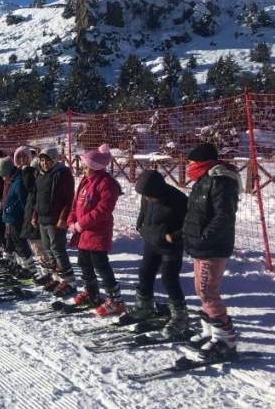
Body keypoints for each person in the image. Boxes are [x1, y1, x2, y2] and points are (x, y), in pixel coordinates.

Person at [182, 143, 242, 360]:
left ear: (202, 162)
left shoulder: (221, 180)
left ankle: (226, 340)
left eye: (191, 162)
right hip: (200, 245)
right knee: (200, 289)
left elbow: (224, 216)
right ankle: (211, 332)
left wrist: (204, 237)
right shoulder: (203, 179)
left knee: (208, 290)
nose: (188, 166)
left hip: (213, 246)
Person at [128, 170, 189, 337]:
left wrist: (173, 237)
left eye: (149, 195)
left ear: (158, 190)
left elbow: (190, 224)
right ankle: (144, 306)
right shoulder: (147, 197)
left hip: (170, 246)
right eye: (144, 195)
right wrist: (140, 226)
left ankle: (180, 316)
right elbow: (143, 212)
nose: (147, 198)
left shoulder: (177, 199)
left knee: (169, 279)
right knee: (145, 273)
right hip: (151, 242)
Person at [67, 144, 124, 316]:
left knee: (101, 264)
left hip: (98, 232)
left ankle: (116, 300)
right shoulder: (85, 181)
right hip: (83, 232)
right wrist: (71, 221)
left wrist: (81, 224)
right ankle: (91, 291)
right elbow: (75, 203)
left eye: (86, 165)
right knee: (84, 263)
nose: (83, 168)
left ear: (96, 167)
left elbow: (103, 210)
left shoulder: (107, 183)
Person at [30, 147, 76, 297]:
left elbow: (68, 200)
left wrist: (63, 218)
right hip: (43, 218)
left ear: (54, 160)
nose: (44, 163)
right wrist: (35, 215)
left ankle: (69, 281)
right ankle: (56, 277)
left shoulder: (62, 174)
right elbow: (38, 198)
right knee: (48, 248)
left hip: (56, 220)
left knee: (57, 249)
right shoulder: (41, 175)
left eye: (47, 160)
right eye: (42, 160)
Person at [0, 157, 34, 276]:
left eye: (3, 175)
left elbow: (23, 201)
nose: (3, 179)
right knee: (16, 243)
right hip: (12, 217)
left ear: (7, 173)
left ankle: (29, 267)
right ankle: (22, 264)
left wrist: (20, 213)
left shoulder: (18, 182)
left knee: (20, 243)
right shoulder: (13, 181)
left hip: (17, 217)